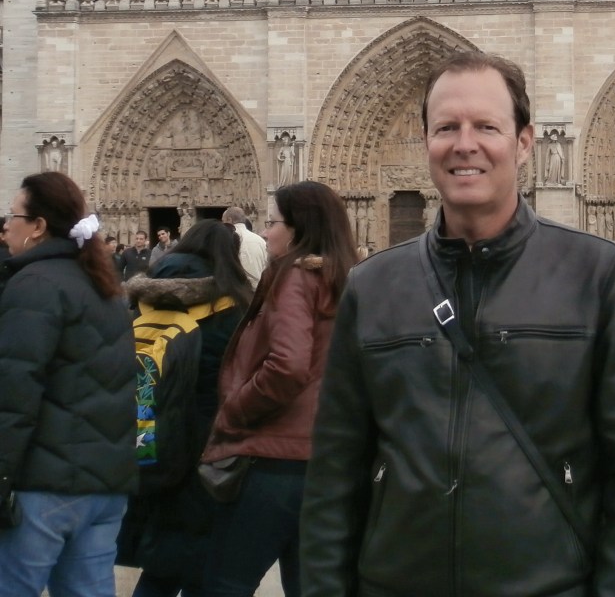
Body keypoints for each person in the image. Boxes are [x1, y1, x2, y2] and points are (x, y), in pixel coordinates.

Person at [300, 51, 615, 597]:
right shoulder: (373, 285)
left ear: (525, 143)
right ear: (425, 140)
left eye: (486, 126)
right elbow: (334, 475)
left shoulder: (597, 275)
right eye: (446, 127)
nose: (464, 144)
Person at [202, 182, 358, 597]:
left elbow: (288, 366)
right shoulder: (342, 278)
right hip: (322, 463)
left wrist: (235, 409)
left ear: (297, 228)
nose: (266, 233)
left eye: (272, 223)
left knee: (222, 584)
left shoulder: (295, 276)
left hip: (272, 461)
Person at [0, 171, 135, 596]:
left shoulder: (34, 285)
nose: (5, 225)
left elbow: (13, 392)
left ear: (38, 226)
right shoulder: (107, 288)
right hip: (105, 486)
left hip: (45, 485)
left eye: (13, 214)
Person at [119, 220, 252, 597]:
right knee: (198, 563)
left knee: (159, 562)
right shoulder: (233, 306)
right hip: (205, 444)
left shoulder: (145, 298)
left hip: (147, 434)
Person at [221, 205, 269, 290]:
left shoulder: (226, 238)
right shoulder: (259, 240)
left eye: (223, 221)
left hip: (240, 292)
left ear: (229, 220)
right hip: (261, 291)